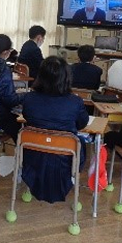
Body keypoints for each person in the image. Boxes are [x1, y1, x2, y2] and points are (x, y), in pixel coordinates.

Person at [22, 56, 89, 203]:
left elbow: (27, 118)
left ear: (40, 76)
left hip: (34, 155)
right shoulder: (75, 102)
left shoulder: (29, 99)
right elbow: (82, 124)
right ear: (66, 77)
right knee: (82, 142)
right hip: (64, 158)